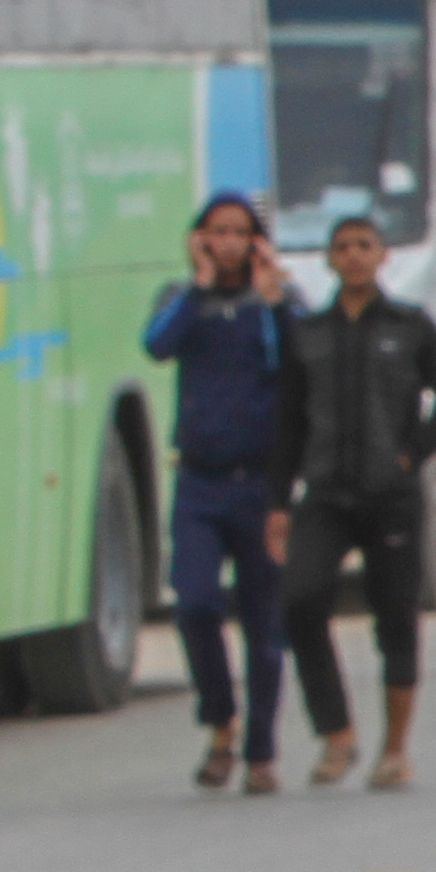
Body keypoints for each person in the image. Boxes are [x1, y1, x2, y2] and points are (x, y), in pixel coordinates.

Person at [275, 212, 436, 791]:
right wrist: (276, 500)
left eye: (364, 245)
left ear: (383, 256)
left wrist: (414, 452)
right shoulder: (308, 334)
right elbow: (288, 422)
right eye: (343, 247)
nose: (354, 256)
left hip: (391, 497)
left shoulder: (409, 327)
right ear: (329, 260)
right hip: (326, 493)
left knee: (395, 618)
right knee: (300, 600)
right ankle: (336, 733)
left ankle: (394, 747)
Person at [142, 192, 295, 794]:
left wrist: (272, 297)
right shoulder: (184, 300)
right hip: (200, 482)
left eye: (240, 233)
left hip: (258, 484)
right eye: (217, 232)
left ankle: (260, 750)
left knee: (263, 626)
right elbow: (157, 346)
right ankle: (219, 719)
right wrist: (201, 285)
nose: (228, 243)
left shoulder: (274, 304)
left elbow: (295, 362)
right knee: (196, 602)